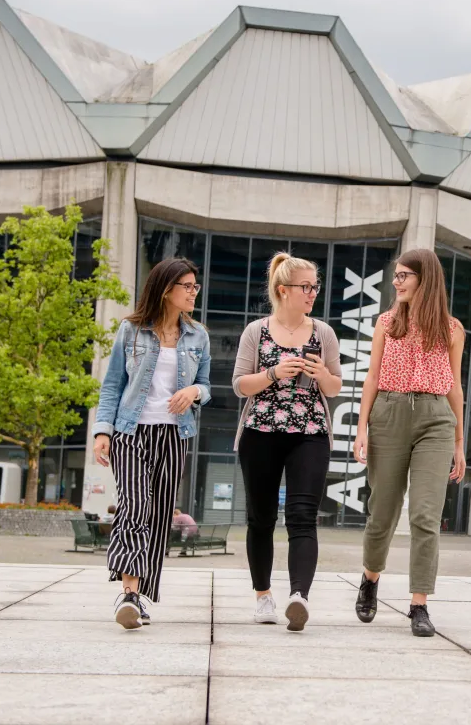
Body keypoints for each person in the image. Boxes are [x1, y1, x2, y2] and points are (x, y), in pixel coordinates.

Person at [352, 249, 466, 637]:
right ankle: (370, 579)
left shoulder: (452, 329)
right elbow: (371, 377)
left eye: (404, 276)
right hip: (389, 413)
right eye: (396, 276)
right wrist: (361, 427)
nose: (397, 281)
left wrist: (459, 442)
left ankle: (419, 604)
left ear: (425, 279)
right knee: (382, 511)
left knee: (425, 514)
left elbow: (455, 387)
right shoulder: (386, 323)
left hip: (436, 419)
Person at [94, 257, 212, 630]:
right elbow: (112, 384)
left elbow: (207, 386)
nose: (194, 292)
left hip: (174, 435)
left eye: (196, 286)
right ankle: (127, 594)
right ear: (166, 289)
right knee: (135, 504)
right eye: (188, 286)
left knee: (160, 516)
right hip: (131, 431)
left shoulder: (198, 335)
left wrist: (194, 390)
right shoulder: (131, 331)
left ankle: (139, 596)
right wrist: (102, 431)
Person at [232, 253, 343, 632]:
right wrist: (274, 373)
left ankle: (300, 596)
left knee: (301, 516)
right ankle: (263, 596)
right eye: (306, 287)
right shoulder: (256, 330)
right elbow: (239, 384)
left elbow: (334, 387)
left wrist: (321, 372)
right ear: (283, 290)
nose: (313, 293)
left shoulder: (324, 333)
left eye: (316, 286)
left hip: (309, 433)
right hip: (260, 433)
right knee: (260, 518)